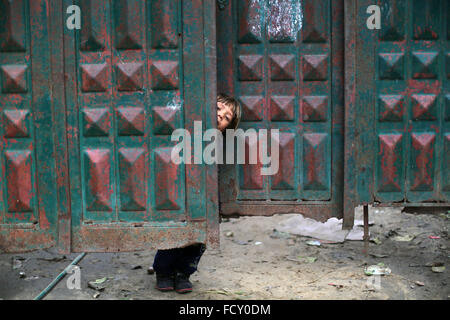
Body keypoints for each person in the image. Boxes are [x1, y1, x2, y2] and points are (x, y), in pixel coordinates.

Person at [152, 93, 241, 293]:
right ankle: (163, 271)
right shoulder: (187, 128)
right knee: (173, 234)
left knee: (198, 238)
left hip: (204, 196)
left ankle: (184, 273)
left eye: (227, 118)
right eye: (219, 109)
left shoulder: (220, 142)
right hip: (180, 193)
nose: (221, 117)